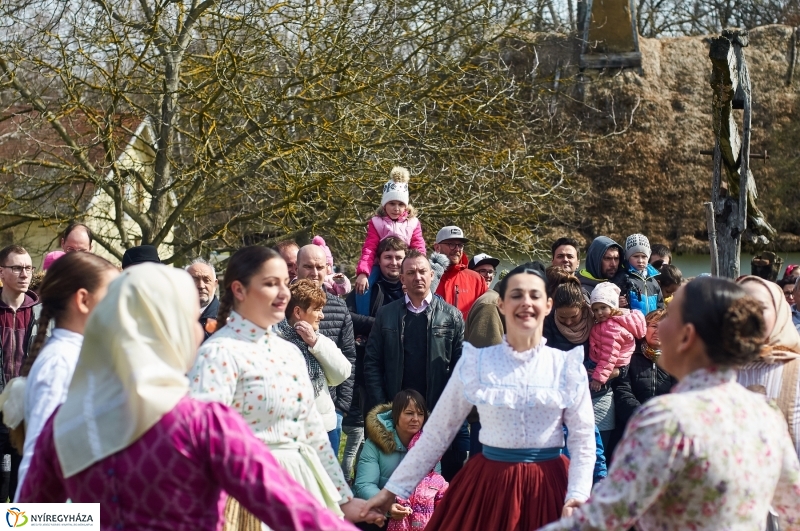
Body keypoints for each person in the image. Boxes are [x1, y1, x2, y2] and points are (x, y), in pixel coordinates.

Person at [18, 264, 378, 530]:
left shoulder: (66, 421)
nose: (199, 330)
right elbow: (286, 505)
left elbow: (26, 518)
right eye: (190, 320)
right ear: (166, 329)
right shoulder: (199, 423)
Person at [541, 277, 800, 530]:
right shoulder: (765, 414)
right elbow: (793, 506)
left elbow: (605, 517)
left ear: (686, 336)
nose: (657, 326)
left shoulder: (667, 420)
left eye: (669, 317)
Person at [361, 264, 597, 530]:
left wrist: (577, 494)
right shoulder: (477, 362)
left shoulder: (566, 366)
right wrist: (393, 489)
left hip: (550, 486)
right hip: (489, 485)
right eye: (517, 295)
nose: (526, 303)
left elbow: (583, 440)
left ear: (548, 305)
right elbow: (437, 434)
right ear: (502, 304)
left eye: (535, 295)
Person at [188, 246, 361, 525]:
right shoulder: (219, 353)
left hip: (302, 486)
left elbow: (313, 431)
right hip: (246, 497)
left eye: (284, 282)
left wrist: (343, 499)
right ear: (239, 290)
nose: (284, 293)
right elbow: (201, 443)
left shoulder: (289, 352)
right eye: (271, 284)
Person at [16, 252, 118, 500]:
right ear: (83, 300)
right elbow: (36, 457)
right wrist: (25, 522)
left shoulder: (79, 356)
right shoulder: (61, 362)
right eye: (112, 295)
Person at [363, 250, 466, 480]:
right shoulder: (386, 315)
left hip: (437, 414)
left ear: (431, 275)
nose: (417, 277)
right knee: (394, 481)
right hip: (395, 413)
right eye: (410, 272)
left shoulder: (452, 316)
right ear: (402, 279)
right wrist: (385, 408)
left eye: (422, 272)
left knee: (436, 485)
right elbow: (372, 363)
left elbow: (461, 370)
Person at [345, 237, 408, 480]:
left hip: (405, 369)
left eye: (398, 257)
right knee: (376, 431)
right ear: (379, 259)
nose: (393, 262)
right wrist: (382, 324)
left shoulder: (411, 285)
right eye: (388, 257)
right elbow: (347, 316)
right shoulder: (366, 288)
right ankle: (368, 483)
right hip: (371, 372)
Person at [296, 244, 357, 455]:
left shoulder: (339, 307)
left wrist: (341, 407)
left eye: (320, 267)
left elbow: (349, 356)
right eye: (308, 267)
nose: (314, 273)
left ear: (327, 269)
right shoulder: (280, 303)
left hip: (329, 412)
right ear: (296, 268)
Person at [276, 280, 352, 437]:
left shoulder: (319, 339)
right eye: (317, 309)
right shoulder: (275, 341)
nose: (322, 315)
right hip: (289, 432)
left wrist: (315, 344)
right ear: (298, 312)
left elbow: (342, 373)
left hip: (325, 429)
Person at [736, 275, 800, 457]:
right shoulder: (715, 371)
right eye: (740, 306)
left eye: (760, 307)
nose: (749, 314)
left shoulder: (797, 370)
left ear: (779, 312)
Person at [0, 244, 40, 501]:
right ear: (1, 273)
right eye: (17, 268)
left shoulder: (42, 313)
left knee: (21, 489)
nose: (24, 274)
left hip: (28, 415)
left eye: (28, 268)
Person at [353, 390, 438, 505]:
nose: (416, 419)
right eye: (409, 413)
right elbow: (365, 485)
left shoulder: (430, 447)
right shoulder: (374, 443)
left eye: (420, 414)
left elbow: (435, 485)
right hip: (378, 512)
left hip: (418, 514)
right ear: (395, 415)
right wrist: (389, 506)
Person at [355, 167, 427, 295]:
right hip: (381, 265)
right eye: (392, 203)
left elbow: (418, 248)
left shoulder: (413, 223)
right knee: (367, 286)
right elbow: (369, 248)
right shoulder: (377, 223)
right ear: (385, 205)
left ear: (406, 206)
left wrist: (418, 268)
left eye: (400, 204)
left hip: (406, 265)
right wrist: (363, 272)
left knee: (423, 286)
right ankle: (362, 308)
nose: (396, 208)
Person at [610, 309, 677, 440]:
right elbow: (622, 390)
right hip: (632, 428)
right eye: (654, 326)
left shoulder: (676, 359)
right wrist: (641, 417)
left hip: (665, 428)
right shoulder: (629, 353)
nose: (658, 331)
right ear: (644, 328)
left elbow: (678, 394)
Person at [587, 283, 646, 392]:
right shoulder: (611, 322)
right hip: (606, 365)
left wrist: (598, 378)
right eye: (595, 310)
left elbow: (609, 355)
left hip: (603, 367)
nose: (599, 312)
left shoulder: (610, 328)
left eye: (603, 307)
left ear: (613, 307)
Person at [432, 226, 487, 320]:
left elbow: (486, 315)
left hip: (466, 335)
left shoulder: (477, 280)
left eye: (460, 245)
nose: (457, 249)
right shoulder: (425, 276)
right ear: (437, 247)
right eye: (451, 244)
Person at [622, 234, 664, 315]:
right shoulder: (623, 278)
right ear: (627, 257)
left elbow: (660, 306)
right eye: (636, 256)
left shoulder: (653, 281)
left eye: (644, 256)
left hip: (650, 326)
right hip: (632, 326)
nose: (640, 260)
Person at [577, 236, 626, 301]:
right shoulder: (581, 291)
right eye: (608, 258)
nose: (613, 264)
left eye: (616, 258)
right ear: (595, 260)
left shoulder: (624, 283)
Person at [186, 257, 219, 341]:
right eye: (195, 280)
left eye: (206, 280)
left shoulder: (228, 318)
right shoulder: (173, 316)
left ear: (215, 284)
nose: (201, 285)